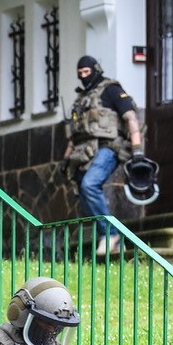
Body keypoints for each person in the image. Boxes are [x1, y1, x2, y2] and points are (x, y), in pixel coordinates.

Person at [63, 56, 143, 256]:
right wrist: (66, 158)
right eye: (80, 74)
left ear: (96, 70)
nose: (83, 77)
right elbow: (74, 134)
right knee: (83, 195)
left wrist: (137, 150)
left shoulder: (111, 89)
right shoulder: (81, 99)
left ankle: (111, 235)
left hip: (109, 147)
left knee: (90, 184)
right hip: (83, 151)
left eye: (86, 73)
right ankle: (108, 239)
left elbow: (130, 116)